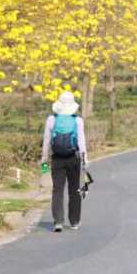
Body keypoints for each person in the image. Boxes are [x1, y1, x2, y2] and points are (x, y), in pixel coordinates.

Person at [41, 91, 88, 233]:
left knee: (57, 190)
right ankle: (74, 221)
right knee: (75, 190)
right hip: (74, 158)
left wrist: (44, 161)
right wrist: (85, 159)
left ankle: (58, 222)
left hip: (56, 158)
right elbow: (81, 141)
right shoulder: (78, 120)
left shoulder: (51, 119)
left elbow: (46, 141)